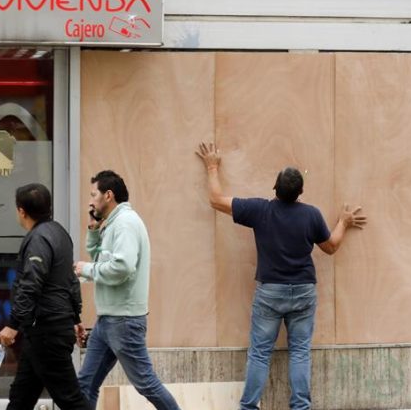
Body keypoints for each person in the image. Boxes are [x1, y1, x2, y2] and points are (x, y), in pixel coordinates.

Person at [195, 142, 367, 410]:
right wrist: (343, 222)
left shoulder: (260, 210)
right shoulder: (311, 215)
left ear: (275, 188)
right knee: (299, 352)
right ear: (301, 192)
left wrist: (213, 166)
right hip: (303, 291)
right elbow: (331, 247)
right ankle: (300, 407)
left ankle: (249, 407)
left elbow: (216, 200)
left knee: (260, 354)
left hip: (270, 293)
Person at [73, 170, 181, 410]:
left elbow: (122, 267)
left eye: (94, 194)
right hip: (109, 320)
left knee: (146, 384)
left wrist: (86, 269)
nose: (90, 201)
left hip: (124, 321)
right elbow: (102, 259)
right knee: (85, 384)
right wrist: (93, 230)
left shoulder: (125, 224)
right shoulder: (112, 224)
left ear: (108, 195)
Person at [0, 183, 90, 410]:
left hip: (47, 330)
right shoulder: (60, 234)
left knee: (71, 400)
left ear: (21, 211)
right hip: (43, 330)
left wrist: (12, 325)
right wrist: (75, 317)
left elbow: (31, 285)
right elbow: (69, 280)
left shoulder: (38, 239)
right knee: (21, 398)